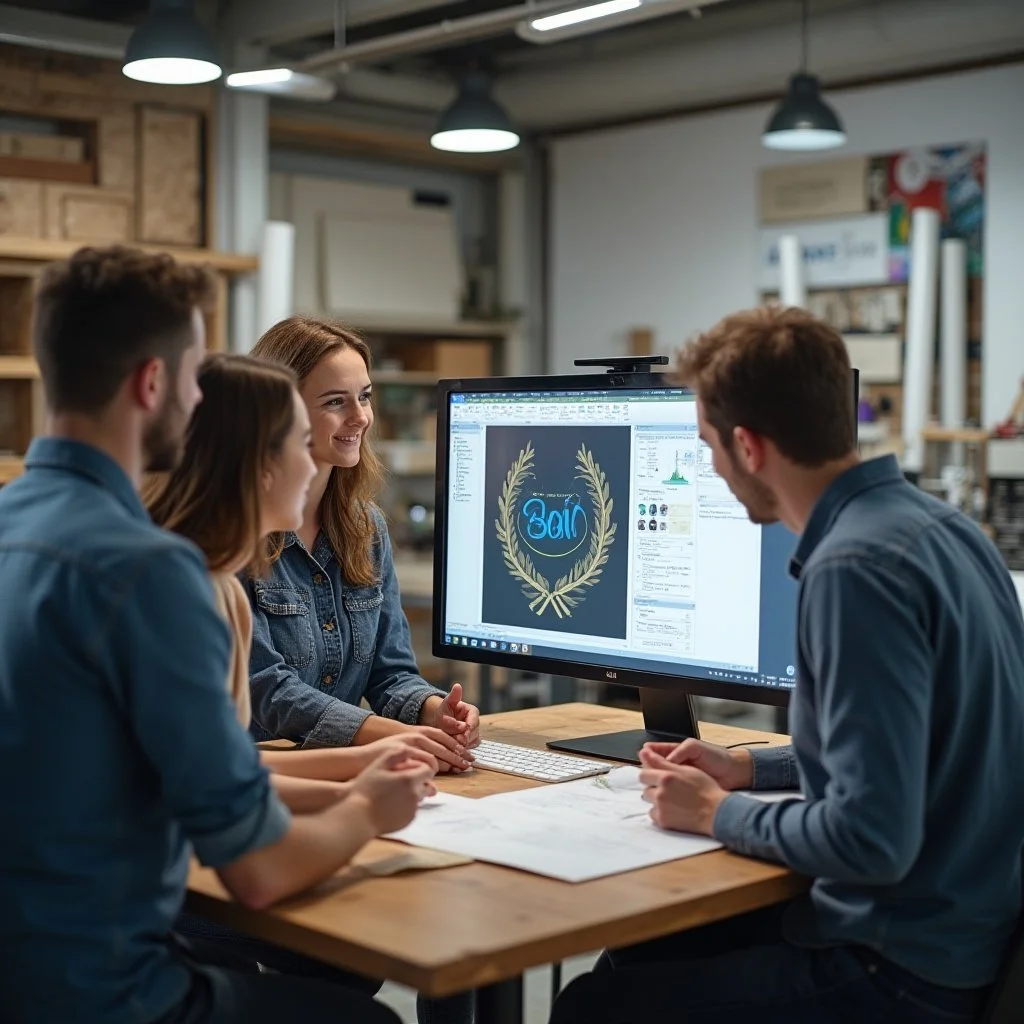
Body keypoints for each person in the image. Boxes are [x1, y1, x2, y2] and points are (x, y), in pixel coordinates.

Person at [551, 305, 1024, 1024]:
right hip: (971, 938)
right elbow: (911, 749)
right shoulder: (947, 529)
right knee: (640, 953)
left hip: (898, 968)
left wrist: (720, 814)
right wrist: (750, 769)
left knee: (595, 1006)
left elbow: (870, 843)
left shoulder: (854, 569)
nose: (709, 466)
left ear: (747, 446)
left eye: (707, 445)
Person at [0, 245, 433, 1024]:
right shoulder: (149, 572)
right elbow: (260, 873)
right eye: (198, 377)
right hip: (107, 992)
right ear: (154, 384)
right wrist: (370, 808)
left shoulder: (13, 523)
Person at [146, 352, 441, 812]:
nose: (309, 471)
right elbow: (242, 846)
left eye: (365, 397)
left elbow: (227, 768)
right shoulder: (191, 588)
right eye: (300, 443)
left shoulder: (206, 581)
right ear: (262, 464)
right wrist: (363, 802)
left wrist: (362, 776)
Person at [247, 316, 481, 772]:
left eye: (365, 396)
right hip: (259, 781)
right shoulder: (235, 532)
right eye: (336, 401)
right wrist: (393, 737)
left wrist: (434, 712)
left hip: (347, 771)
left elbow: (389, 673)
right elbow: (263, 689)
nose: (360, 417)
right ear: (280, 413)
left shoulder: (365, 528)